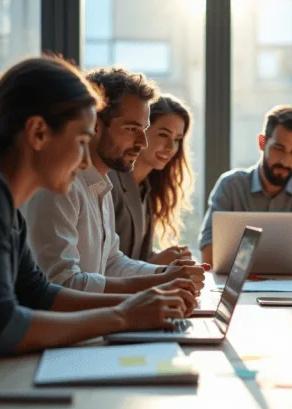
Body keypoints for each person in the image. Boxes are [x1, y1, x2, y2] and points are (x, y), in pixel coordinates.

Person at [0, 56, 197, 409]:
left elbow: (39, 293)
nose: (85, 161)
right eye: (82, 141)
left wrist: (136, 307)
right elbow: (0, 326)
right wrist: (124, 316)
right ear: (37, 133)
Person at [22, 67, 207, 294]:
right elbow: (62, 284)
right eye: (131, 129)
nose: (142, 142)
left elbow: (111, 263)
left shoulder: (101, 185)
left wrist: (164, 274)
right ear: (95, 125)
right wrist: (157, 283)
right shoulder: (59, 188)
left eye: (144, 130)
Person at [199, 105, 292, 269]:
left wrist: (274, 259)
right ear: (262, 142)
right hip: (240, 287)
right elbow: (208, 253)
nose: (285, 161)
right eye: (279, 148)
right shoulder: (230, 185)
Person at [110, 94, 194, 265]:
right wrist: (156, 263)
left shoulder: (146, 189)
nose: (171, 148)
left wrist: (168, 258)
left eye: (177, 140)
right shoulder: (110, 183)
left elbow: (136, 256)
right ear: (142, 131)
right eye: (163, 135)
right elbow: (108, 263)